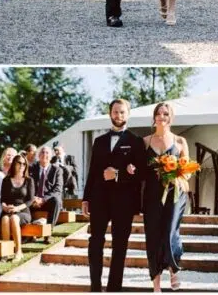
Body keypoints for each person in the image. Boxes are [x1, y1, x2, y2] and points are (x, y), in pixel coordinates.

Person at [84, 98, 147, 292]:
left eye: (122, 112)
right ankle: (95, 287)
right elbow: (93, 171)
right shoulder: (99, 141)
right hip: (99, 199)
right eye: (115, 112)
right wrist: (86, 198)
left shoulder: (136, 141)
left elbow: (141, 174)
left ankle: (114, 289)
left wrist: (118, 174)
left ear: (128, 114)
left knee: (120, 245)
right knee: (95, 242)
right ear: (110, 113)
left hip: (124, 201)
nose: (118, 115)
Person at [143, 102, 188, 291]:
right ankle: (156, 284)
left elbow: (187, 170)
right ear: (154, 117)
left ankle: (173, 269)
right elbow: (139, 170)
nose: (162, 116)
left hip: (175, 193)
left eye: (166, 113)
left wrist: (176, 173)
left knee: (170, 231)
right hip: (152, 195)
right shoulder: (145, 141)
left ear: (171, 117)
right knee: (153, 236)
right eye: (159, 113)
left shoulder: (180, 141)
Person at [0, 154, 34, 262]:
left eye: (24, 164)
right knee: (5, 219)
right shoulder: (6, 180)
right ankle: (6, 252)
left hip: (23, 211)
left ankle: (19, 251)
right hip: (9, 210)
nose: (22, 165)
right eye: (19, 163)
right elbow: (3, 199)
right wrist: (4, 207)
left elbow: (30, 201)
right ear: (14, 164)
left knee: (14, 218)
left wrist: (17, 209)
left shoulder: (29, 180)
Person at [29, 146, 64, 232]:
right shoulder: (31, 168)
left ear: (51, 157)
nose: (44, 154)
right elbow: (26, 186)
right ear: (38, 156)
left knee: (56, 200)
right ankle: (28, 232)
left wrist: (43, 199)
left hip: (48, 202)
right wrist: (33, 198)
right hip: (33, 201)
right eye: (42, 152)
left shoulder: (57, 170)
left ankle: (48, 231)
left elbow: (57, 189)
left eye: (47, 153)